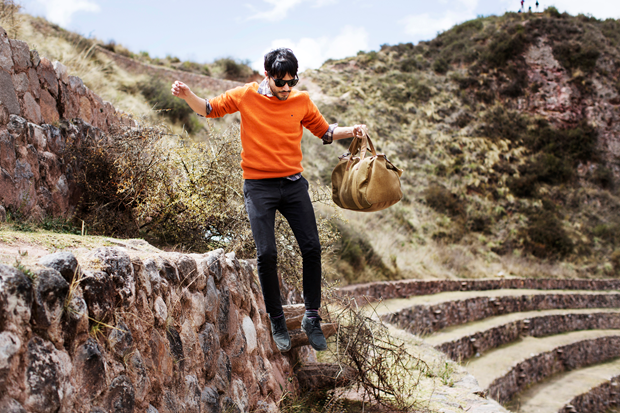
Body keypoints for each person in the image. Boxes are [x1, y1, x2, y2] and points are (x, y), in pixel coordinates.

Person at [171, 48, 366, 352]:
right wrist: (188, 95)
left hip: (293, 185)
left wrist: (350, 131)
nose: (286, 88)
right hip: (259, 186)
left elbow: (325, 132)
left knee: (312, 247)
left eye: (292, 81)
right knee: (267, 254)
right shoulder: (246, 95)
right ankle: (276, 318)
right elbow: (209, 108)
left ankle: (311, 317)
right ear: (267, 76)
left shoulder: (300, 101)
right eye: (280, 82)